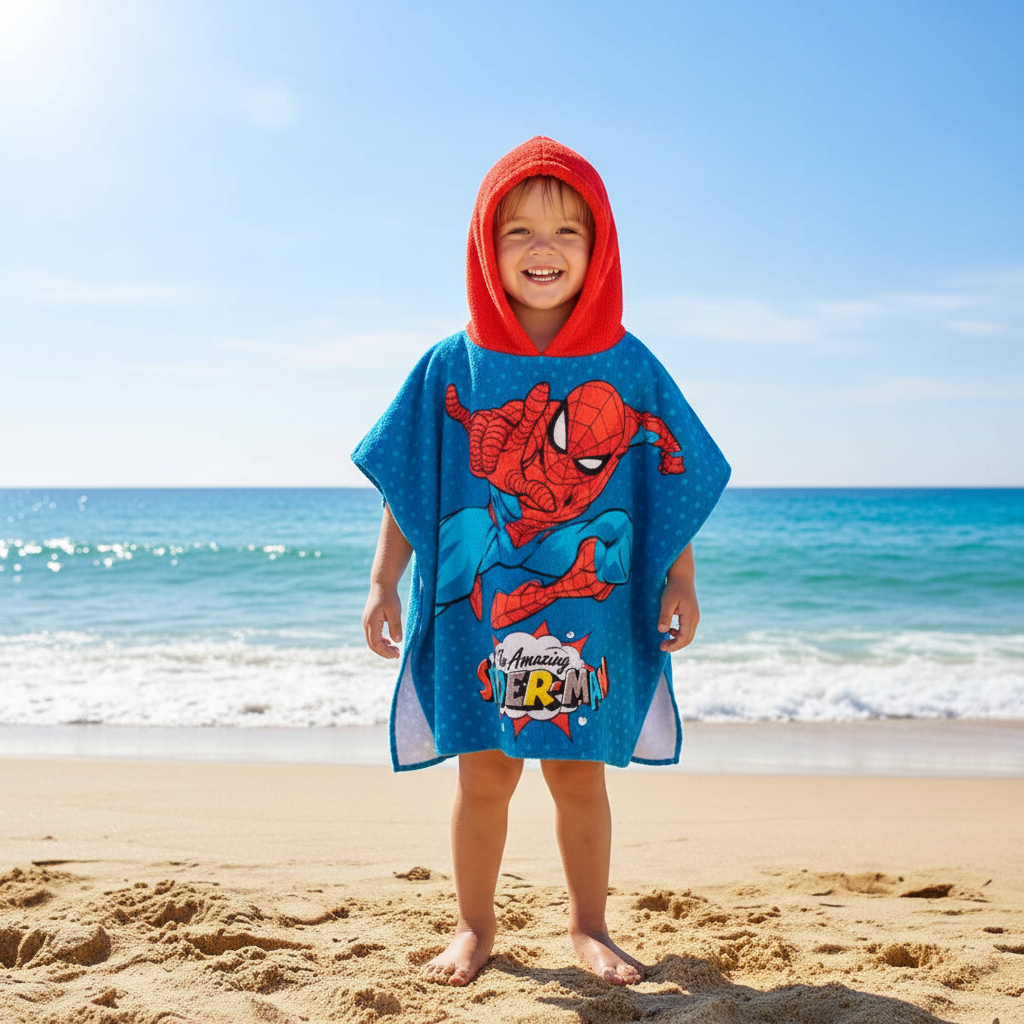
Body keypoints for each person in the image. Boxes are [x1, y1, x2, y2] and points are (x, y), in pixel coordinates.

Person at [354, 137, 729, 988]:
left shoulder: (628, 365)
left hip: (586, 617)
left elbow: (664, 483)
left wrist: (682, 578)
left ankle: (589, 927)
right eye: (517, 230)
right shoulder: (456, 363)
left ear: (600, 248)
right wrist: (384, 579)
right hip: (481, 615)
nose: (543, 247)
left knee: (577, 774)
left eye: (567, 229)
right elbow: (411, 480)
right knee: (484, 773)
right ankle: (474, 927)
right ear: (486, 248)